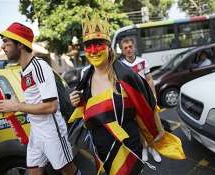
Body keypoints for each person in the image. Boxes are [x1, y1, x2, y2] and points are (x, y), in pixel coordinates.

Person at [69, 14, 165, 174]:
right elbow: (88, 110)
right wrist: (77, 100)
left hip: (128, 147)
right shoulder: (86, 77)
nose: (93, 51)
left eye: (98, 44)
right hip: (101, 149)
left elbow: (148, 102)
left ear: (108, 47)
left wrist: (158, 131)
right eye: (88, 46)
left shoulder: (126, 75)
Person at [0, 22, 76, 175]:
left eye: (6, 42)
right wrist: (12, 105)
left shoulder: (39, 66)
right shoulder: (24, 71)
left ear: (20, 44)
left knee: (69, 171)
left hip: (52, 132)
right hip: (36, 132)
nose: (3, 47)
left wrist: (16, 106)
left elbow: (51, 106)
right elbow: (35, 102)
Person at [119, 37, 161, 162]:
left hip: (146, 98)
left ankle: (153, 148)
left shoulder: (142, 61)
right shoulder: (121, 65)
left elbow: (149, 79)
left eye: (130, 47)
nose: (128, 49)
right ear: (122, 50)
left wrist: (153, 96)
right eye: (125, 48)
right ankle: (144, 148)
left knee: (151, 125)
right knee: (139, 127)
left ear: (134, 47)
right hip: (132, 102)